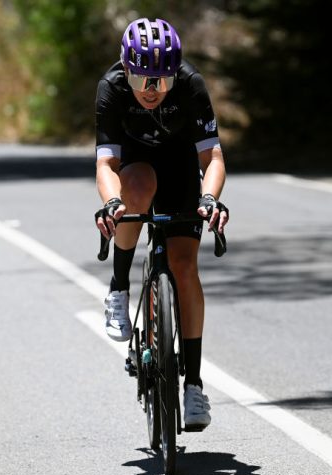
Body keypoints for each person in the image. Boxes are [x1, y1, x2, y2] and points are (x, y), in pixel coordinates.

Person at [94, 17, 229, 431]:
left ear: (175, 74)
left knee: (184, 266)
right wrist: (112, 202)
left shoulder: (191, 85)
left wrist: (210, 199)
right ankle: (118, 288)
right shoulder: (112, 88)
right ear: (125, 68)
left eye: (162, 82)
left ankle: (193, 385)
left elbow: (213, 160)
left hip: (180, 171)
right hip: (135, 169)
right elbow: (106, 163)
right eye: (142, 79)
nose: (151, 91)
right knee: (137, 185)